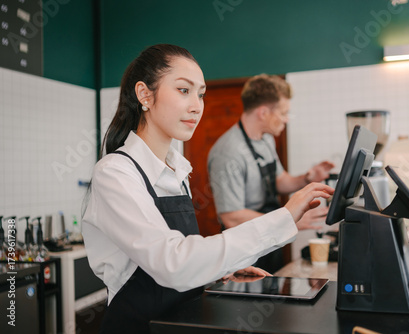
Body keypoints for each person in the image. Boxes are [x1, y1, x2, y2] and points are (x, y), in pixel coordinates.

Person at [81, 44, 334, 333]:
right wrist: (284, 217)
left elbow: (184, 250)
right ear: (144, 95)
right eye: (183, 90)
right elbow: (172, 262)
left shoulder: (179, 169)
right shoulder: (114, 173)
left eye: (200, 94)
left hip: (180, 322)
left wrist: (222, 269)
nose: (196, 106)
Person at [208, 74, 335, 273]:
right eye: (284, 113)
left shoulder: (265, 139)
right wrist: (287, 220)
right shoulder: (228, 153)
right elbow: (231, 217)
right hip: (244, 250)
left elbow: (279, 180)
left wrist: (308, 178)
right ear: (263, 112)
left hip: (268, 241)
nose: (286, 119)